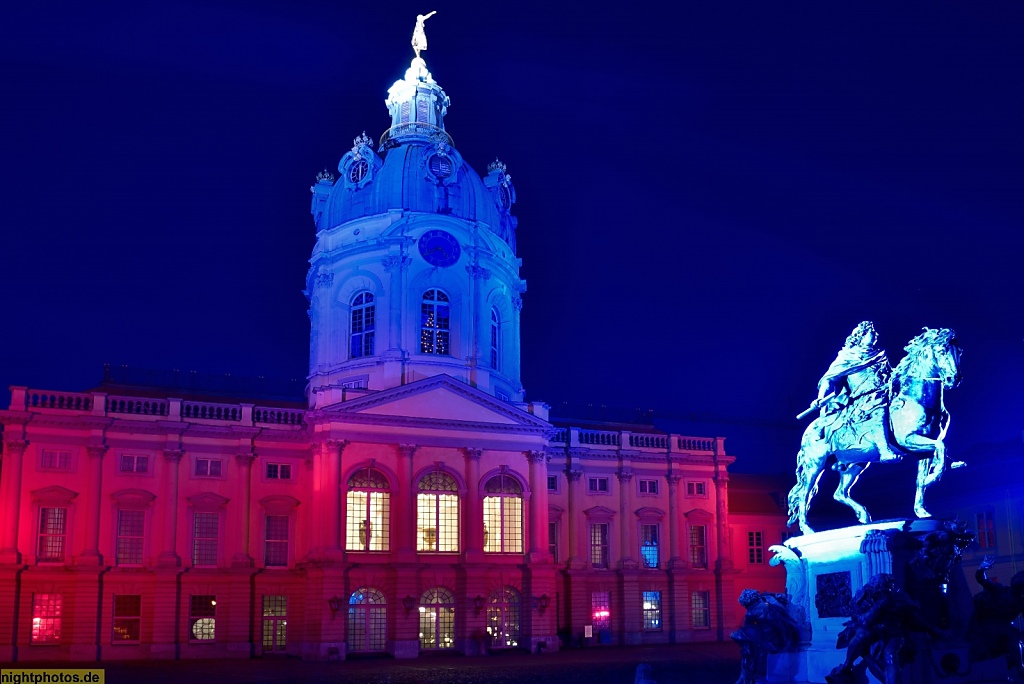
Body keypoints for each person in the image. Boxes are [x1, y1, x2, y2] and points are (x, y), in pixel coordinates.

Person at [969, 555, 1024, 681]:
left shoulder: (1022, 601)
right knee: (1013, 634)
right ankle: (1020, 669)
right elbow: (982, 580)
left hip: (1002, 627)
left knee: (1016, 641)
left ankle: (1015, 668)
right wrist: (982, 568)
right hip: (987, 624)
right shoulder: (1000, 590)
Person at [732, 589, 801, 684]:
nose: (748, 609)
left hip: (778, 643)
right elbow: (750, 625)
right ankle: (746, 676)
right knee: (748, 651)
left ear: (754, 601)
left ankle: (749, 676)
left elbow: (782, 627)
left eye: (749, 606)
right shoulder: (757, 609)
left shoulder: (771, 608)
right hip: (769, 642)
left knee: (770, 671)